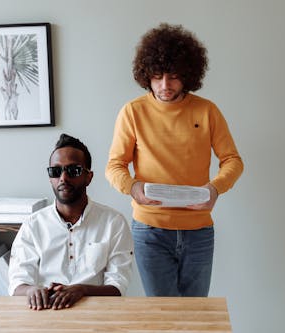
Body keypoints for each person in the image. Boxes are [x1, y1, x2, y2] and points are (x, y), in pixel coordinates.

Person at [105, 23, 244, 297]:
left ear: (188, 75)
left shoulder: (207, 111)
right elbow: (114, 165)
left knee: (195, 314)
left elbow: (233, 160)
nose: (165, 86)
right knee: (161, 316)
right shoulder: (133, 112)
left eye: (173, 77)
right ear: (146, 75)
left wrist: (214, 189)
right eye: (157, 77)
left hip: (199, 230)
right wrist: (134, 188)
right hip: (150, 230)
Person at [9, 134, 133, 310]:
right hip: (44, 310)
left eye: (73, 170)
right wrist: (32, 291)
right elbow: (17, 282)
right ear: (50, 177)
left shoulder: (113, 223)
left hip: (96, 312)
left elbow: (118, 286)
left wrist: (81, 290)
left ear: (88, 177)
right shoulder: (33, 224)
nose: (63, 178)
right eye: (56, 171)